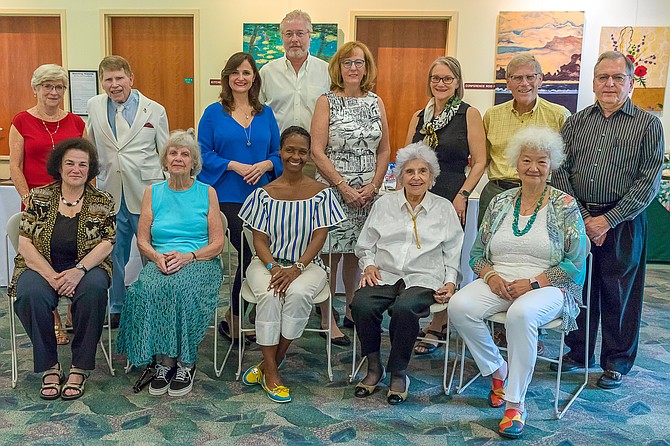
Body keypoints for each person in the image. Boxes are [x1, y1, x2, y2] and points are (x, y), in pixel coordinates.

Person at [448, 126, 589, 439]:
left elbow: (576, 261)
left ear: (552, 165)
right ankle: (498, 369)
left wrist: (535, 283)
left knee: (520, 314)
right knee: (459, 306)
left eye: (541, 161)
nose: (534, 168)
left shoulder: (565, 206)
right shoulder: (500, 203)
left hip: (551, 286)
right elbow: (476, 253)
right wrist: (490, 275)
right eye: (527, 161)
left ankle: (515, 403)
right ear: (516, 164)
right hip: (500, 279)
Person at [551, 51, 665, 390]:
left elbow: (648, 183)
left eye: (617, 77)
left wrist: (607, 221)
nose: (610, 84)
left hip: (624, 220)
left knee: (619, 293)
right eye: (603, 77)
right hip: (578, 216)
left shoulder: (648, 125)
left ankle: (616, 361)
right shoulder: (576, 122)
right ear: (594, 82)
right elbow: (559, 170)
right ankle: (578, 352)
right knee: (578, 289)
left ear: (630, 82)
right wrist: (585, 218)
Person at [239, 126, 346, 403]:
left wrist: (297, 267)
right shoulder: (263, 194)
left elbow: (320, 236)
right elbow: (259, 239)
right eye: (290, 150)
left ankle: (269, 363)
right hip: (266, 264)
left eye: (301, 151)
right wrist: (275, 268)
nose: (295, 156)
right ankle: (273, 374)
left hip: (308, 265)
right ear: (280, 152)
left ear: (309, 155)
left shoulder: (322, 193)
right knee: (271, 294)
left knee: (298, 294)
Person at [351, 143, 463, 405]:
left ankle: (399, 371)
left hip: (424, 276)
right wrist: (367, 264)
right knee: (361, 304)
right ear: (400, 176)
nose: (416, 177)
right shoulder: (384, 205)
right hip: (385, 273)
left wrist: (450, 282)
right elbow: (365, 244)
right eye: (409, 171)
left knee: (405, 308)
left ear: (432, 177)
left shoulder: (444, 208)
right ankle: (374, 365)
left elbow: (453, 251)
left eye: (422, 171)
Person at [116, 129, 224, 397]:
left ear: (193, 162)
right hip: (161, 259)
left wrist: (189, 257)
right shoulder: (152, 192)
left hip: (200, 260)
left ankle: (186, 362)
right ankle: (165, 362)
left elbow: (217, 244)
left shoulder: (207, 192)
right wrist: (156, 257)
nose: (178, 158)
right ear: (165, 160)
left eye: (185, 154)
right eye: (173, 153)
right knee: (148, 290)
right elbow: (142, 240)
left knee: (183, 291)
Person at [9, 138, 116, 401]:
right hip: (42, 266)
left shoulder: (103, 200)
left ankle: (80, 367)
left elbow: (107, 242)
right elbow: (25, 243)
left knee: (93, 291)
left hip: (87, 266)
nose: (76, 169)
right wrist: (52, 276)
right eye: (70, 163)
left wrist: (79, 270)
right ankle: (50, 367)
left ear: (89, 169)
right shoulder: (38, 197)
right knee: (30, 294)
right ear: (59, 166)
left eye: (83, 164)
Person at [197, 52, 282, 345]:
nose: (241, 78)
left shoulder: (266, 114)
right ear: (227, 78)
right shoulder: (213, 112)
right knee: (248, 255)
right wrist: (233, 164)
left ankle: (239, 315)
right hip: (225, 196)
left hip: (262, 198)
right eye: (235, 73)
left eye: (246, 72)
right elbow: (203, 154)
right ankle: (234, 318)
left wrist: (266, 165)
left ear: (254, 77)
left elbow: (277, 153)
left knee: (262, 256)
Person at [404, 56, 486, 355]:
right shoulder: (418, 116)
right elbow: (407, 160)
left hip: (452, 193)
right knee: (418, 254)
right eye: (435, 78)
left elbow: (479, 161)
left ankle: (439, 323)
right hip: (418, 194)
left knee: (445, 258)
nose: (440, 84)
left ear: (458, 82)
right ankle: (415, 312)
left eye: (447, 79)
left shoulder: (469, 114)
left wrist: (462, 195)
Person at [311, 41, 390, 345]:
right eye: (347, 63)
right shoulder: (326, 101)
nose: (353, 68)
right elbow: (317, 150)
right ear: (338, 68)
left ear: (367, 68)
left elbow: (384, 149)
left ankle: (353, 310)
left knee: (357, 252)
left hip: (368, 192)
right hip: (333, 189)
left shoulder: (376, 102)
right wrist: (342, 187)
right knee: (329, 255)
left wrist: (374, 186)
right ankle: (328, 316)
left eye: (359, 63)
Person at [86, 55, 169, 328]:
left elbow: (165, 154)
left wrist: (167, 196)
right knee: (113, 256)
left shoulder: (154, 110)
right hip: (110, 194)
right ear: (102, 83)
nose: (114, 84)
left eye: (119, 78)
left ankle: (155, 303)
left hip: (146, 194)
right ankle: (117, 306)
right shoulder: (94, 106)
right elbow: (90, 147)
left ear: (131, 79)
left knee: (151, 253)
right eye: (108, 80)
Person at [9, 64, 87, 345]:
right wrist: (27, 197)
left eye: (59, 87)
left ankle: (72, 310)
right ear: (36, 88)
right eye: (48, 86)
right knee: (44, 259)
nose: (54, 92)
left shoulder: (76, 122)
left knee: (76, 251)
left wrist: (88, 198)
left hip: (73, 202)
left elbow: (85, 162)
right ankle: (53, 317)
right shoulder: (21, 121)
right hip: (37, 205)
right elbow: (15, 166)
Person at [480, 54, 570, 226]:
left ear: (540, 80)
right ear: (508, 82)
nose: (524, 83)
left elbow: (566, 164)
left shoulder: (560, 116)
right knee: (488, 247)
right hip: (497, 192)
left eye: (530, 77)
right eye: (517, 78)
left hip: (541, 194)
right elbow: (483, 159)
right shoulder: (492, 116)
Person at [259, 9, 330, 179]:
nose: (294, 40)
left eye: (300, 33)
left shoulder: (327, 71)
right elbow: (257, 113)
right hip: (277, 156)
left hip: (314, 157)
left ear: (309, 36)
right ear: (282, 37)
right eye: (289, 34)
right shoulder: (267, 72)